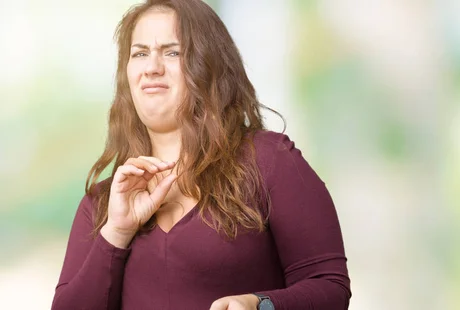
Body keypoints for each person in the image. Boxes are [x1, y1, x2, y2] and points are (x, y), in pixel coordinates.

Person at [51, 0, 351, 309]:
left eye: (172, 52)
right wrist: (117, 232)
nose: (152, 67)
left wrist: (257, 304)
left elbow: (330, 288)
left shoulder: (269, 161)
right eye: (140, 53)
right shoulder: (103, 203)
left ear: (209, 65)